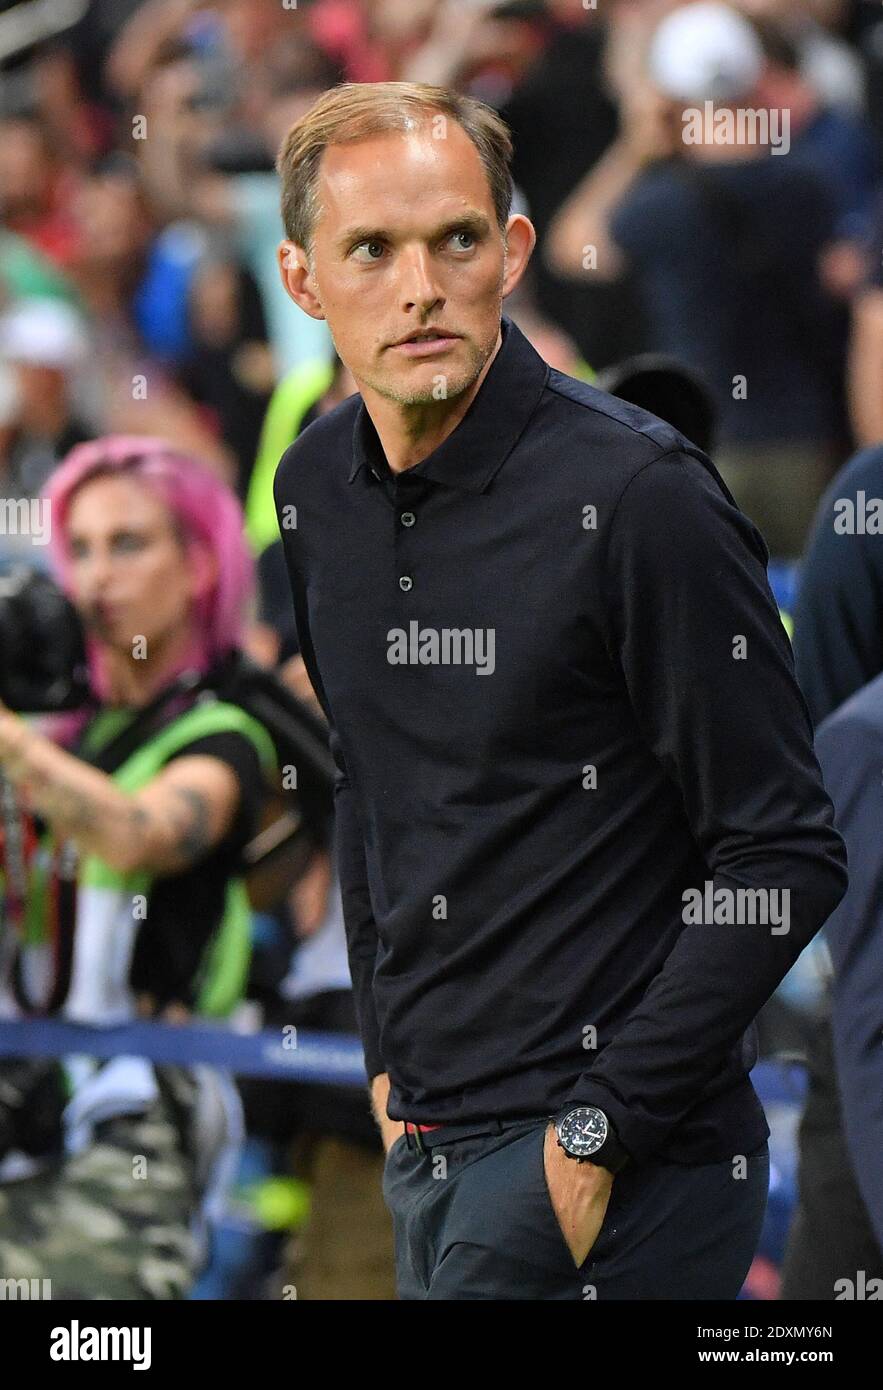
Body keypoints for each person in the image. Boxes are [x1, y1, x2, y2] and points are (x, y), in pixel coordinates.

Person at [271, 80, 847, 1300]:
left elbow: (784, 851)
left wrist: (597, 1131)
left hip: (625, 1166)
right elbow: (371, 784)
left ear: (513, 251)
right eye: (371, 248)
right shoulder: (313, 487)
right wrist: (390, 1068)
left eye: (456, 240)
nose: (420, 285)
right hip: (426, 1143)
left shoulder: (646, 496)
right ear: (302, 281)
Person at [0, 435, 276, 1298]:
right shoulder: (59, 737)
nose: (95, 579)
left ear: (198, 565)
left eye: (128, 544)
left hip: (126, 1137)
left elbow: (134, 834)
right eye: (76, 549)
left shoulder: (223, 735)